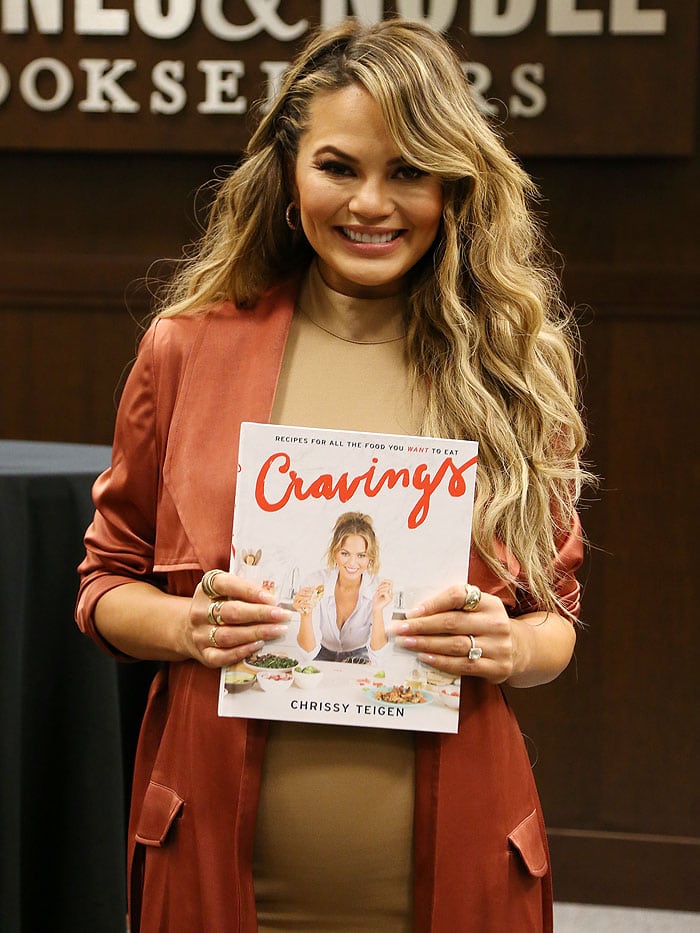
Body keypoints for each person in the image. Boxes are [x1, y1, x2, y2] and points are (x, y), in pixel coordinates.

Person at [76, 17, 592, 933]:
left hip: (456, 868)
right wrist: (191, 626)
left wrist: (512, 647)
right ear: (289, 173)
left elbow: (557, 620)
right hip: (216, 870)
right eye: (339, 167)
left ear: (453, 185)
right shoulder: (187, 347)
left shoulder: (512, 366)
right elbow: (104, 582)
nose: (371, 203)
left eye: (408, 170)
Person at [293, 511, 393, 663]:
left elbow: (378, 656)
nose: (352, 563)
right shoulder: (315, 584)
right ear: (335, 553)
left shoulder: (379, 591)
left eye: (361, 555)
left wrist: (377, 611)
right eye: (345, 554)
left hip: (361, 656)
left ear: (370, 558)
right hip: (320, 652)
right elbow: (308, 653)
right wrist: (305, 613)